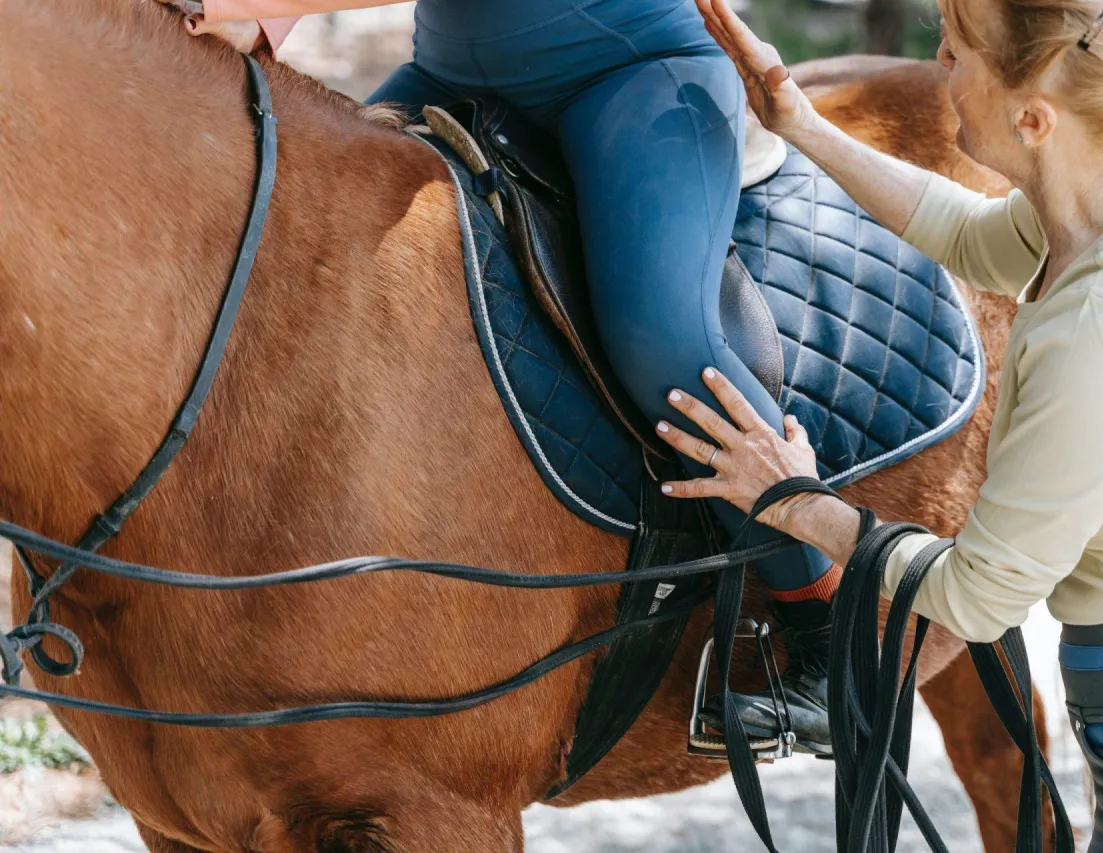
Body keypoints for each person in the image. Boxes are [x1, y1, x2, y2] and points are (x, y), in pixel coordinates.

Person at [654, 0, 1103, 848]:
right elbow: (964, 229)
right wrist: (800, 124)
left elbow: (977, 597)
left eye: (959, 51)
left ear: (1032, 118)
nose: (939, 60)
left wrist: (793, 499)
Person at [157, 0, 846, 754]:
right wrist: (261, 28)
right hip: (453, 76)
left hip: (634, 75)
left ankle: (829, 641)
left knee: (664, 341)